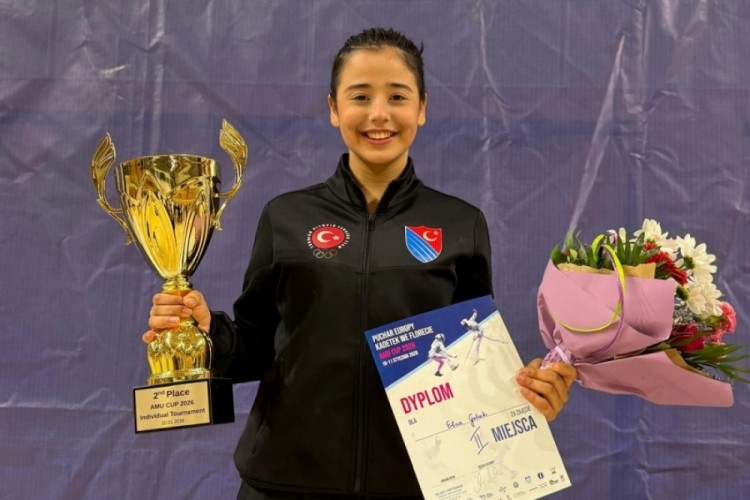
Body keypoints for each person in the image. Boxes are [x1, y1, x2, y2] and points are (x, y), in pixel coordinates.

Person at [144, 27, 577, 499]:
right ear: (334, 108)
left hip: (411, 486)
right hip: (283, 484)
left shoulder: (460, 224)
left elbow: (469, 359)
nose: (379, 114)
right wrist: (205, 332)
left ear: (422, 107)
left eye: (397, 96)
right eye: (360, 96)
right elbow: (256, 345)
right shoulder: (286, 217)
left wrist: (527, 395)